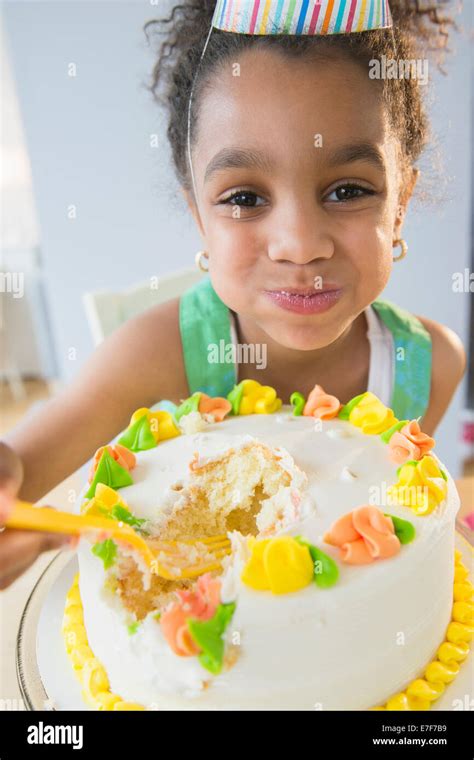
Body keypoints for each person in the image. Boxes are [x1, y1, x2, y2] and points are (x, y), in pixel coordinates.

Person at [0, 0, 466, 589]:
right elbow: (23, 464)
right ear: (200, 218)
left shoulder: (428, 366)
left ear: (399, 207)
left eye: (348, 190)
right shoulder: (157, 353)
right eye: (244, 198)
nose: (299, 244)